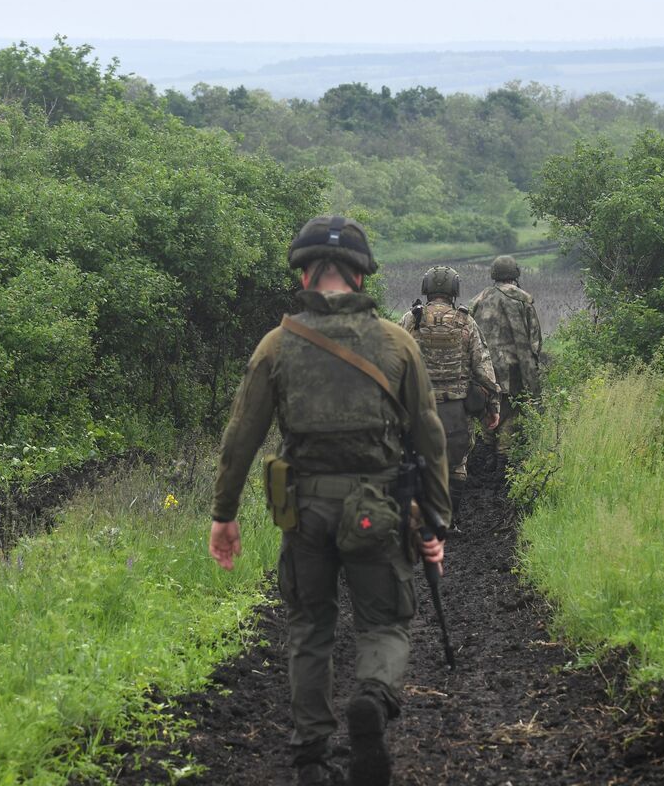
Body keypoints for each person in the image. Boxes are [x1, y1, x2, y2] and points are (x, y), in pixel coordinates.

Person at [208, 215, 451, 786]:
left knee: (310, 629)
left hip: (305, 511)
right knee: (385, 623)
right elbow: (431, 435)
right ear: (362, 278)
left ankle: (312, 755)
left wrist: (224, 515)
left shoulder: (277, 345)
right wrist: (435, 519)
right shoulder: (398, 343)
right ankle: (370, 696)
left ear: (304, 274)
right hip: (378, 511)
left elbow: (239, 439)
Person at [399, 265, 501, 512]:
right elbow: (483, 367)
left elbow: (395, 361)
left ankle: (421, 517)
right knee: (456, 465)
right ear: (454, 289)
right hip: (456, 409)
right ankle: (450, 519)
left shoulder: (411, 320)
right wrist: (493, 406)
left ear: (426, 288)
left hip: (418, 407)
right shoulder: (466, 322)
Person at [468, 255, 542, 461]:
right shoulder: (522, 300)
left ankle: (486, 458)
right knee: (510, 414)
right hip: (514, 371)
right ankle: (503, 461)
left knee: (487, 414)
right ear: (515, 274)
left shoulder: (477, 301)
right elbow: (535, 343)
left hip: (483, 371)